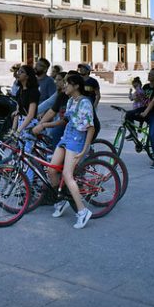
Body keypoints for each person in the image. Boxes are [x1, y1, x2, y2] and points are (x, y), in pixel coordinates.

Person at [48, 73, 95, 228]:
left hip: (77, 139)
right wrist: (44, 125)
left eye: (67, 83)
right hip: (66, 136)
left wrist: (85, 149)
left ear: (76, 86)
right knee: (52, 169)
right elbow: (66, 120)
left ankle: (82, 211)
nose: (64, 86)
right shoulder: (70, 101)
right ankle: (61, 200)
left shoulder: (85, 103)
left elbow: (91, 128)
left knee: (68, 175)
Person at [32, 70, 69, 148]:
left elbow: (63, 119)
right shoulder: (60, 94)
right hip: (63, 121)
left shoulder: (73, 97)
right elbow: (49, 106)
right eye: (55, 79)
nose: (55, 82)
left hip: (73, 127)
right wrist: (32, 113)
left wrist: (42, 124)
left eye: (59, 80)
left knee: (54, 133)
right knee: (49, 133)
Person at [13, 65, 40, 135]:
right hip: (21, 123)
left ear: (27, 76)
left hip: (29, 125)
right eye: (19, 71)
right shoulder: (20, 91)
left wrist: (19, 130)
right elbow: (17, 111)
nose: (18, 73)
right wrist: (13, 129)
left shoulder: (33, 91)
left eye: (21, 72)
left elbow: (31, 115)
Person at [77, 63, 102, 137]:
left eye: (83, 68)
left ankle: (90, 141)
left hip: (91, 106)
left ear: (88, 71)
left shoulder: (93, 82)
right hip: (79, 106)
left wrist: (94, 106)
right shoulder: (78, 81)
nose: (81, 69)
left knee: (89, 124)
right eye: (80, 68)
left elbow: (98, 95)